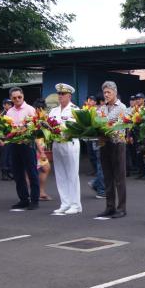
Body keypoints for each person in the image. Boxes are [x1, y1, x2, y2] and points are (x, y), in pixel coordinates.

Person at [49, 83, 82, 214]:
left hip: (70, 143)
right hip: (57, 144)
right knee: (60, 174)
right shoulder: (54, 110)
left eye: (63, 94)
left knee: (72, 174)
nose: (60, 96)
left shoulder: (75, 110)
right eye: (59, 94)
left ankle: (75, 204)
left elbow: (78, 128)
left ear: (69, 95)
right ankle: (65, 202)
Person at [96, 81, 127, 218]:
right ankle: (110, 207)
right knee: (107, 177)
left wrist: (103, 124)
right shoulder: (101, 108)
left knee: (119, 177)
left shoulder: (121, 107)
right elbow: (97, 123)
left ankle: (121, 208)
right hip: (104, 144)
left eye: (108, 92)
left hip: (117, 143)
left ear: (115, 92)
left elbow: (113, 123)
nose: (106, 95)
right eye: (105, 92)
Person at [6, 87, 40, 210]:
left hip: (27, 144)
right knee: (17, 173)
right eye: (14, 98)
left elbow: (36, 126)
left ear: (23, 96)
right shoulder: (9, 112)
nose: (17, 99)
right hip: (14, 145)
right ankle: (23, 199)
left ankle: (35, 200)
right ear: (11, 98)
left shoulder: (30, 109)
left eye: (19, 97)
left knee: (32, 172)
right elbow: (7, 128)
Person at [32, 98, 52, 201]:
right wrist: (42, 151)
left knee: (42, 169)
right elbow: (36, 136)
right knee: (44, 168)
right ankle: (38, 192)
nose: (41, 110)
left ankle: (39, 192)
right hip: (35, 147)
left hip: (40, 146)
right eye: (39, 108)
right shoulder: (34, 118)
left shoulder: (43, 118)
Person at [0, 98, 13, 180]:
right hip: (3, 138)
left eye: (11, 104)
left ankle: (9, 172)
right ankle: (4, 173)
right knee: (4, 156)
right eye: (8, 104)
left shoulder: (12, 113)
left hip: (11, 137)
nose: (10, 105)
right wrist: (0, 140)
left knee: (10, 156)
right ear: (4, 105)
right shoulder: (0, 114)